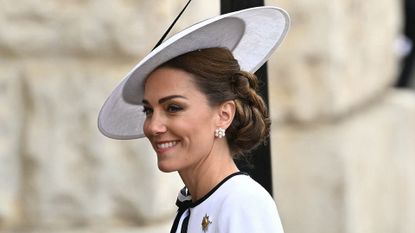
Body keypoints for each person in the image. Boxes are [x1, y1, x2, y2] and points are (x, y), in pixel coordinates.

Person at [98, 6, 290, 233]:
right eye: (148, 111)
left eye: (173, 107)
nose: (153, 126)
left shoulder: (242, 203)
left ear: (223, 115)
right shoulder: (193, 206)